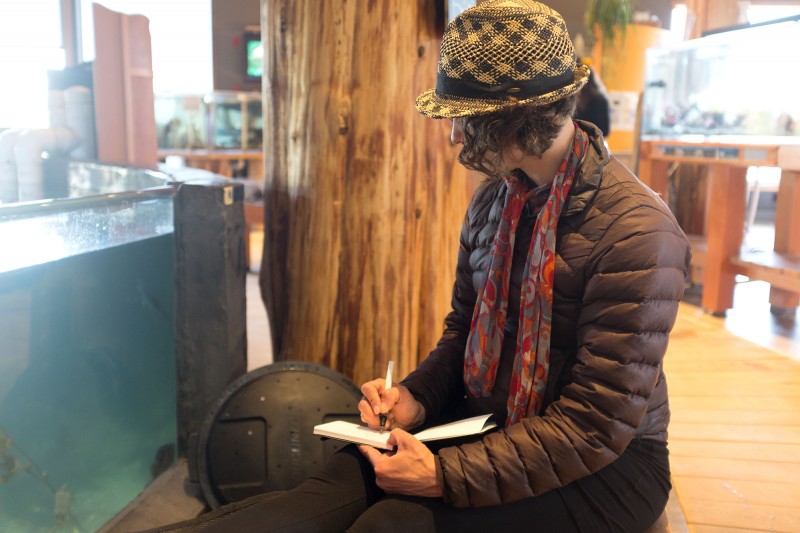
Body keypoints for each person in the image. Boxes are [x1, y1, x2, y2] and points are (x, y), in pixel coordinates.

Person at [147, 1, 690, 531]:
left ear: (517, 121)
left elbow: (595, 426)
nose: (454, 137)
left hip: (611, 466)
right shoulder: (495, 201)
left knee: (393, 522)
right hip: (492, 422)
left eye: (466, 120)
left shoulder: (638, 232)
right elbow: (463, 333)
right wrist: (414, 398)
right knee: (333, 486)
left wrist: (442, 473)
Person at [575, 65, 612, 137]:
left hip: (592, 142)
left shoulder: (600, 101)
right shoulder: (573, 100)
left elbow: (605, 130)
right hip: (578, 141)